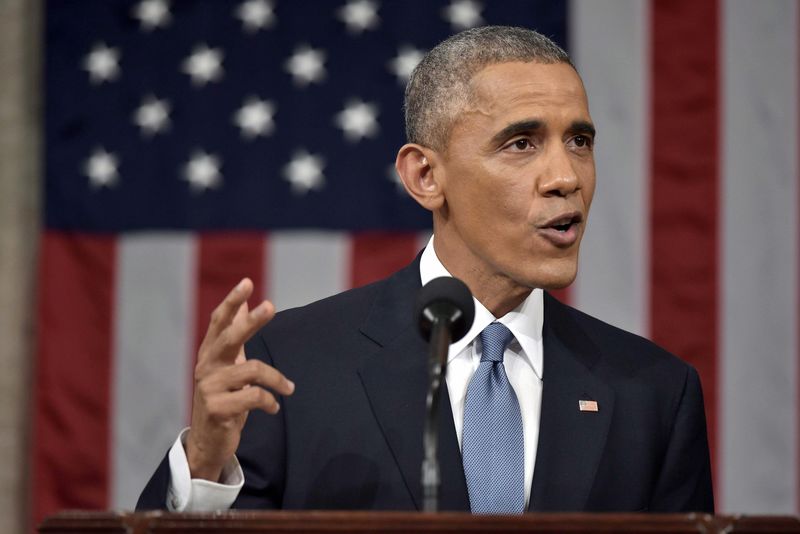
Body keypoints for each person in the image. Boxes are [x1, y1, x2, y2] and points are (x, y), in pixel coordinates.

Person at [138, 25, 714, 513]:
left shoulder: (654, 394)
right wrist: (205, 465)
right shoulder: (294, 365)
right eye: (521, 143)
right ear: (425, 178)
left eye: (579, 140)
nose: (565, 177)